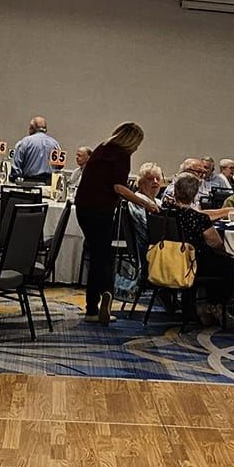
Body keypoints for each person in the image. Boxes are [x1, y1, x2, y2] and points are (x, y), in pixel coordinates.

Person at [75, 122, 161, 323]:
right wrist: (145, 203)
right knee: (103, 255)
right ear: (131, 141)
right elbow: (119, 188)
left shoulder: (102, 148)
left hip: (83, 207)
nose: (137, 148)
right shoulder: (122, 155)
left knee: (97, 253)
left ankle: (93, 306)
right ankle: (104, 293)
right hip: (101, 210)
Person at [161, 171, 230, 327]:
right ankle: (215, 304)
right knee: (229, 265)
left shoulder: (165, 212)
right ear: (194, 194)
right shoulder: (198, 218)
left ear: (175, 191)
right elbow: (216, 243)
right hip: (193, 263)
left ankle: (203, 305)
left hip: (169, 259)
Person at [10, 116, 60, 184]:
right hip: (49, 184)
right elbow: (59, 166)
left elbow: (16, 167)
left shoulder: (25, 142)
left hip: (28, 183)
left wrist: (14, 178)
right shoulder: (55, 144)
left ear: (32, 128)